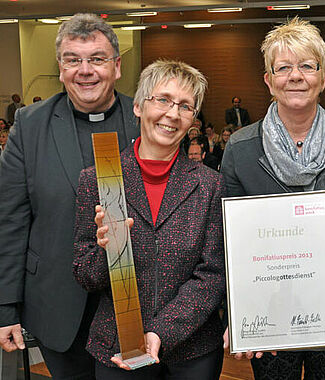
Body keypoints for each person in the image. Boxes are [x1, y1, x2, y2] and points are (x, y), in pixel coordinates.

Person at [221, 17, 325, 379]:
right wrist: (238, 310)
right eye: (283, 67)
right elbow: (227, 234)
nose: (295, 76)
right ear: (268, 80)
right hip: (269, 313)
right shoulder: (240, 148)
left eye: (307, 66)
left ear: (324, 75)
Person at [0, 13, 139, 379]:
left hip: (135, 306)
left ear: (117, 66)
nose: (85, 70)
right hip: (57, 308)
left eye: (96, 59)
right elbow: (10, 222)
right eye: (73, 60)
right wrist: (5, 309)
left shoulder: (145, 120)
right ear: (60, 68)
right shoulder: (29, 126)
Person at [73, 59, 226, 379]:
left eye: (186, 106)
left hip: (193, 348)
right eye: (163, 100)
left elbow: (212, 275)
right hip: (118, 347)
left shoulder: (210, 185)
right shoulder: (100, 179)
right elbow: (85, 276)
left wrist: (160, 332)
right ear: (139, 106)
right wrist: (105, 251)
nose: (173, 113)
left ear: (192, 120)